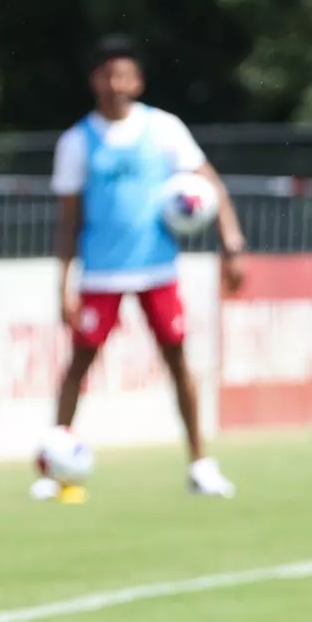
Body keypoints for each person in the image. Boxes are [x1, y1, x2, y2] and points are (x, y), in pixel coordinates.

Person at [47, 34, 245, 498]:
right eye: (107, 74)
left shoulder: (164, 129)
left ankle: (201, 464)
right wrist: (63, 283)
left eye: (124, 74)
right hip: (100, 273)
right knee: (79, 364)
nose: (116, 83)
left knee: (178, 361)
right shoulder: (77, 141)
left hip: (157, 268)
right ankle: (53, 470)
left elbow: (210, 185)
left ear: (137, 80)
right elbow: (68, 221)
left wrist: (231, 244)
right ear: (95, 80)